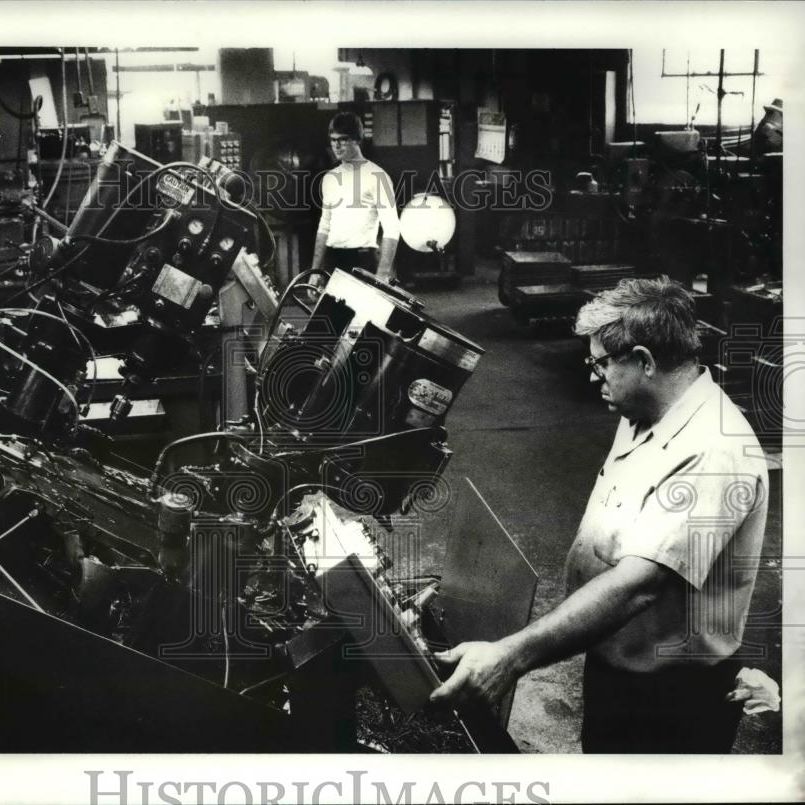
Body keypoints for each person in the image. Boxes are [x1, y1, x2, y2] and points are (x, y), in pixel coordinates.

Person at [430, 277, 770, 753]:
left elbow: (638, 585)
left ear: (645, 362)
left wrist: (510, 657)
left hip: (671, 701)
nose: (593, 376)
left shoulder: (713, 451)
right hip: (615, 665)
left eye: (601, 363)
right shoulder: (644, 411)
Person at [310, 112, 400, 280]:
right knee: (330, 308)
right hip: (333, 260)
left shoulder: (377, 176)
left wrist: (383, 273)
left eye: (343, 139)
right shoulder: (329, 178)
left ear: (357, 139)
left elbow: (392, 228)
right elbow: (324, 226)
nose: (337, 145)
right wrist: (315, 272)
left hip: (363, 260)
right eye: (333, 140)